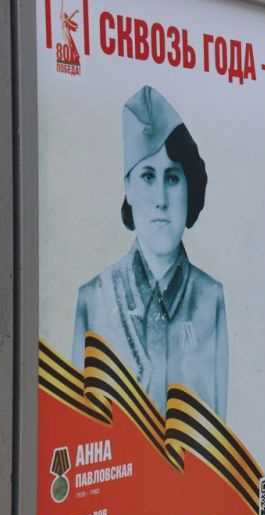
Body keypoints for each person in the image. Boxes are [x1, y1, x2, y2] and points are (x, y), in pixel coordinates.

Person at [73, 85, 228, 419]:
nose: (160, 199)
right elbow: (80, 422)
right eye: (147, 176)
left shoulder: (210, 298)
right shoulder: (94, 300)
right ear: (127, 188)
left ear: (189, 187)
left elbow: (217, 426)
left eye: (172, 178)